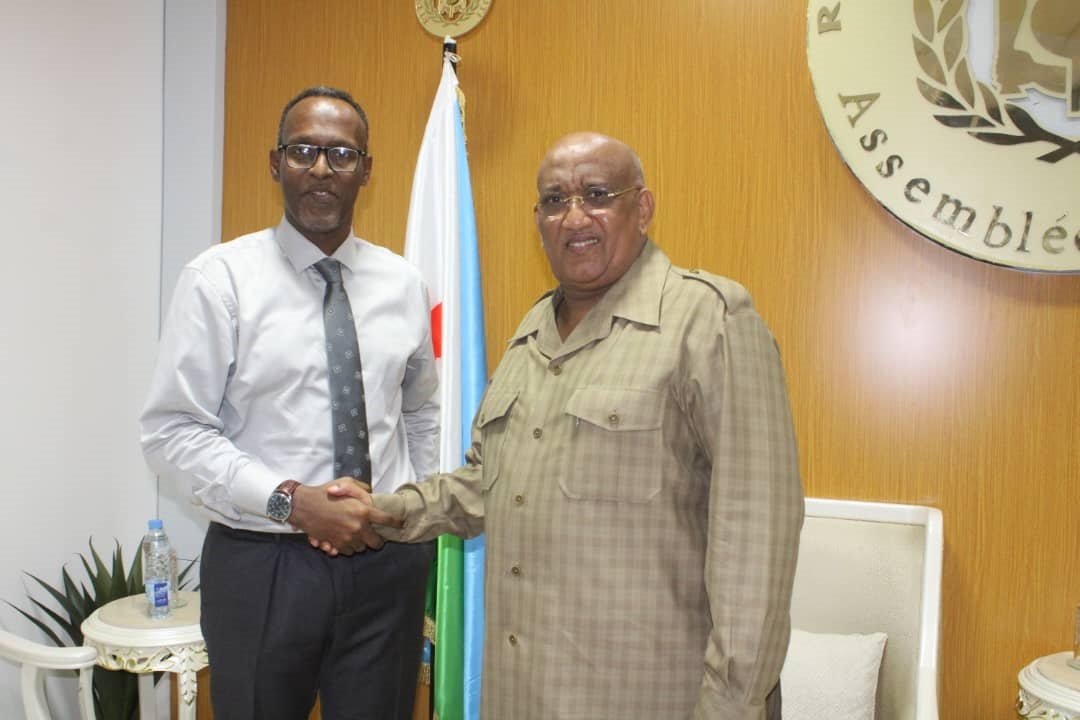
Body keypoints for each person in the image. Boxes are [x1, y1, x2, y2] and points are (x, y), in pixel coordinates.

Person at [326, 131, 804, 718]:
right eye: (555, 200)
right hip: (524, 693)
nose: (574, 215)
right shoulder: (532, 332)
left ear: (643, 207)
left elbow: (756, 540)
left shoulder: (708, 322)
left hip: (650, 699)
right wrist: (386, 510)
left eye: (597, 194)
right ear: (538, 219)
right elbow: (487, 483)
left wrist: (732, 706)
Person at [140, 86, 436, 720]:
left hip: (386, 568)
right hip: (263, 567)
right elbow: (173, 432)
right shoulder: (219, 280)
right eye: (304, 151)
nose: (322, 169)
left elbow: (420, 414)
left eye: (341, 154)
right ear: (276, 163)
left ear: (366, 170)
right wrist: (293, 502)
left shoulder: (403, 284)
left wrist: (411, 506)